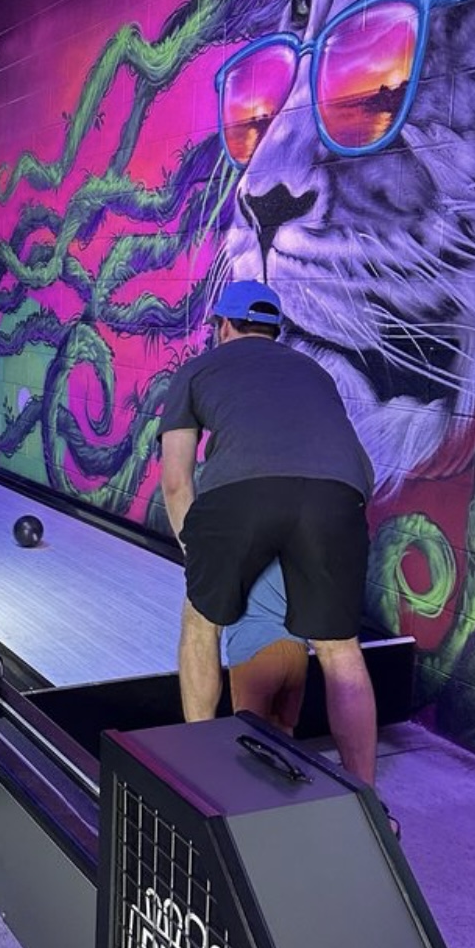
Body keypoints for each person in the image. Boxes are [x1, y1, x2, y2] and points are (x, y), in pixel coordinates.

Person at [159, 279, 380, 790]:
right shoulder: (314, 371)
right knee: (340, 650)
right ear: (274, 330)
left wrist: (197, 551)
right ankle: (367, 799)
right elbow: (360, 472)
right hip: (338, 496)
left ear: (223, 326)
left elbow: (175, 481)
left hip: (240, 494)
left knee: (201, 623)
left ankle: (202, 774)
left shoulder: (197, 369)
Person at [225, 559, 308, 736]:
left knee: (250, 735)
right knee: (285, 732)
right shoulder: (295, 550)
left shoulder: (237, 548)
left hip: (254, 650)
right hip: (297, 648)